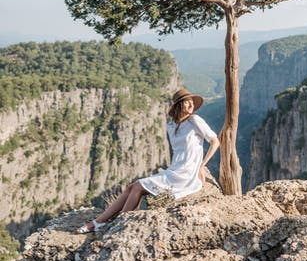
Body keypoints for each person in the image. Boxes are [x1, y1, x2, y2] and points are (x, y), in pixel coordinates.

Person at [77, 89, 219, 233]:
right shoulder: (171, 127)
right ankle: (99, 222)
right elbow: (177, 153)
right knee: (131, 187)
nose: (191, 104)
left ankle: (117, 223)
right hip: (175, 170)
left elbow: (215, 142)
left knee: (138, 186)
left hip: (186, 173)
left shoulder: (195, 120)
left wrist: (202, 165)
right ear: (179, 105)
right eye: (187, 101)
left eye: (192, 102)